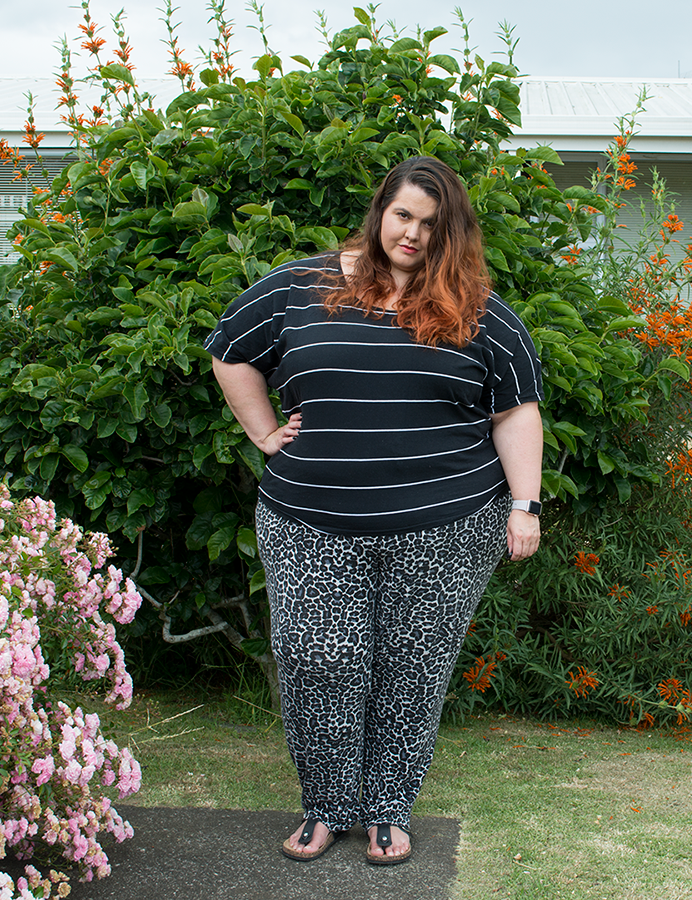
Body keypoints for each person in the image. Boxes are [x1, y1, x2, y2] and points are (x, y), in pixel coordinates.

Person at [205, 156, 543, 865]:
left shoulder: (478, 307)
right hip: (308, 521)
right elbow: (231, 351)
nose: (413, 234)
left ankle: (388, 809)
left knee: (412, 667)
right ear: (380, 210)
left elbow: (516, 411)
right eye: (403, 216)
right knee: (317, 656)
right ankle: (326, 806)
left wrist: (524, 505)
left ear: (451, 232)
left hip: (446, 526)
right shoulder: (302, 285)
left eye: (430, 223)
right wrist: (264, 433)